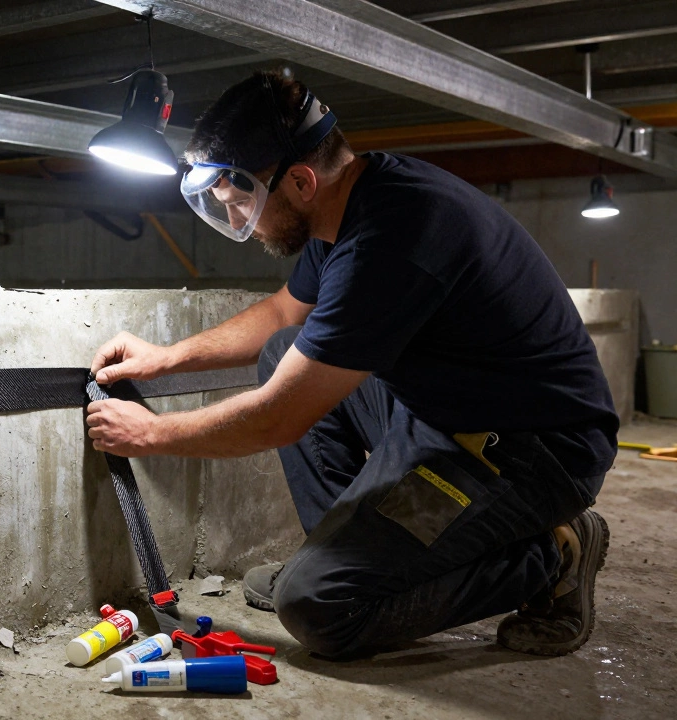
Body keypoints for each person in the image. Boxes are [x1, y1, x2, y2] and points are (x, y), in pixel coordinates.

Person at [85, 70, 617, 659]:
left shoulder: (391, 241)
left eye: (243, 204)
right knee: (284, 351)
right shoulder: (350, 202)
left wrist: (153, 434)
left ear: (300, 180)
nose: (240, 223)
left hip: (530, 454)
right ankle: (347, 558)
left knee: (320, 610)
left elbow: (278, 419)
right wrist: (167, 360)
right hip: (447, 414)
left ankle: (551, 555)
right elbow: (284, 312)